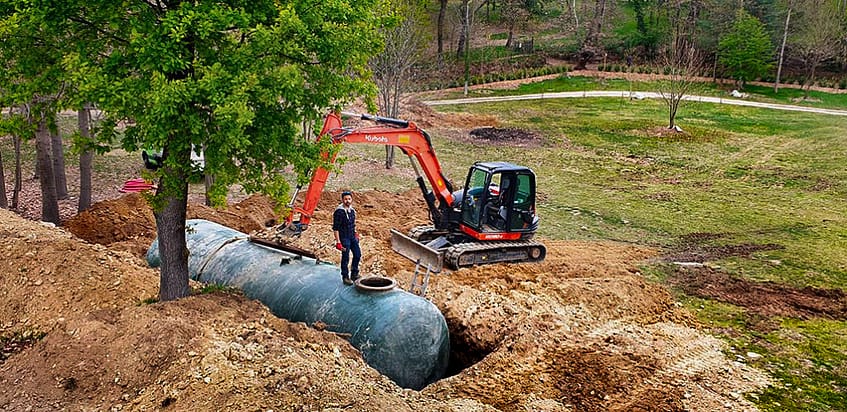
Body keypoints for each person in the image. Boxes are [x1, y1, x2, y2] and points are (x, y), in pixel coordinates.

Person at [333, 191, 361, 285]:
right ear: (342, 200)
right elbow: (335, 228)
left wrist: (356, 233)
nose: (347, 201)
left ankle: (354, 273)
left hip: (352, 236)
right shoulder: (339, 212)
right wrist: (338, 242)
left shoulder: (352, 211)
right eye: (345, 199)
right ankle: (345, 276)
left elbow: (353, 224)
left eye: (349, 199)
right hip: (344, 237)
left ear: (351, 199)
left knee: (357, 254)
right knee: (345, 257)